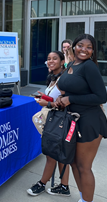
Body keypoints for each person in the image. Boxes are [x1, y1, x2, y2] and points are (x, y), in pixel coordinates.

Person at [55, 33, 107, 202]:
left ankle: (87, 200)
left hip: (89, 121)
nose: (84, 50)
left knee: (84, 166)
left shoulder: (89, 67)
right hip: (73, 120)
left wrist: (70, 99)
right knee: (73, 163)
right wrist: (60, 98)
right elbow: (70, 88)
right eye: (80, 45)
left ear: (93, 51)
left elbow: (102, 97)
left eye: (89, 47)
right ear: (74, 46)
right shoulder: (72, 64)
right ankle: (83, 198)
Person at [27, 51, 71, 197]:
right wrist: (44, 96)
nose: (50, 61)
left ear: (62, 61)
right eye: (48, 59)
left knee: (52, 154)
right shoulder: (53, 78)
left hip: (57, 121)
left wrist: (47, 103)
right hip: (52, 119)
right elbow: (55, 98)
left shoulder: (64, 79)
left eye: (54, 59)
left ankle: (42, 184)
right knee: (57, 153)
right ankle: (64, 187)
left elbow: (66, 103)